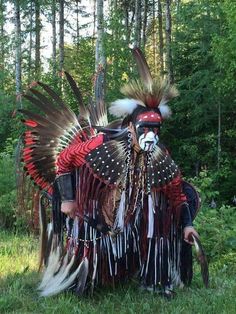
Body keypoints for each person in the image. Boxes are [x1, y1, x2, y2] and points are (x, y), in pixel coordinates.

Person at [20, 48, 203, 298]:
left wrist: (187, 225)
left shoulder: (161, 155)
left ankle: (150, 276)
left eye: (156, 128)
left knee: (158, 216)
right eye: (145, 127)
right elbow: (64, 160)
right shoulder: (100, 145)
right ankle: (84, 277)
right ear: (131, 126)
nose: (151, 134)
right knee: (92, 239)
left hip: (134, 215)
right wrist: (68, 199)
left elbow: (176, 193)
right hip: (97, 209)